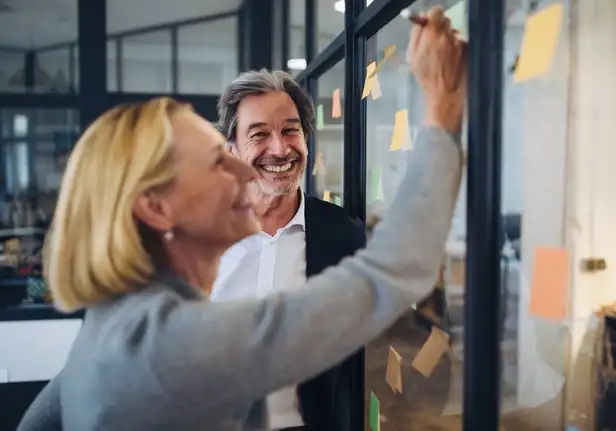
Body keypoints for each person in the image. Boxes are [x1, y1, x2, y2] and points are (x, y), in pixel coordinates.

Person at [18, 7, 467, 431]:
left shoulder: (115, 320)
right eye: (217, 161)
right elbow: (389, 274)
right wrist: (441, 109)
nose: (244, 170)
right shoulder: (175, 343)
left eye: (290, 130)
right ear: (157, 208)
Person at [214, 69, 366, 431]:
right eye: (259, 134)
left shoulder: (342, 237)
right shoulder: (199, 235)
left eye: (290, 130)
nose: (280, 149)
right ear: (231, 149)